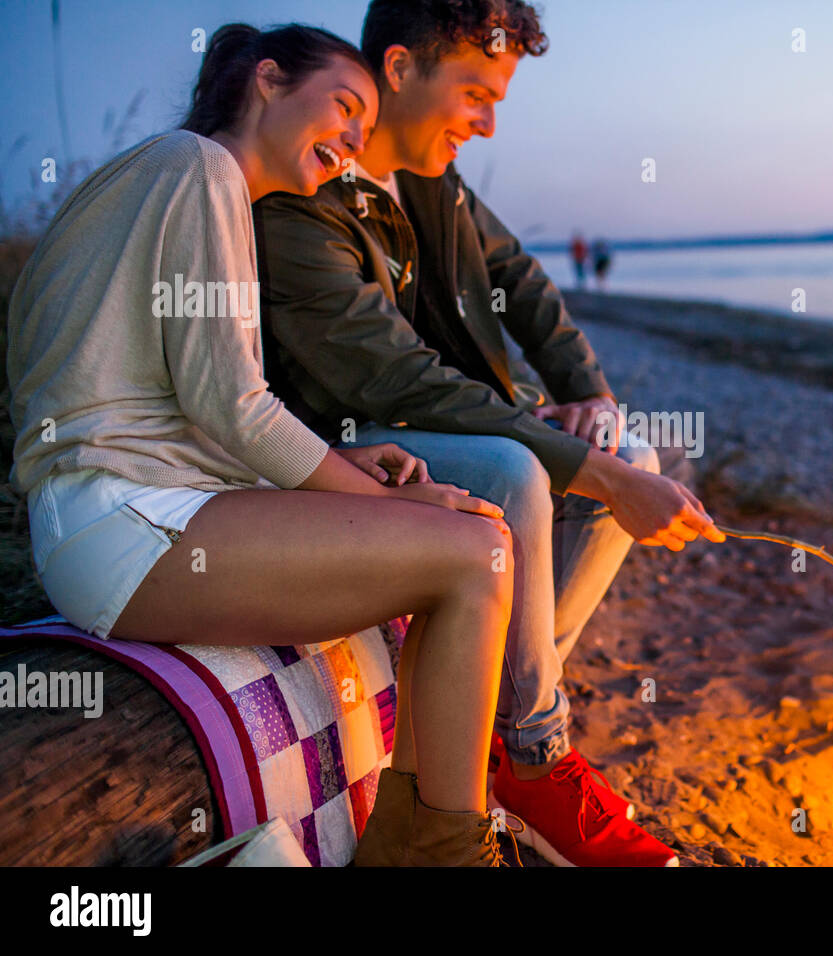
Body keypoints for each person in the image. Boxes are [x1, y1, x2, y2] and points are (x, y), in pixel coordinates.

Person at [6, 24, 517, 867]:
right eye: (345, 107)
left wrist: (340, 466)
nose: (355, 141)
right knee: (475, 554)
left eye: (363, 129)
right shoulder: (199, 166)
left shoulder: (180, 179)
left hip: (133, 510)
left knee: (476, 548)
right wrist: (391, 504)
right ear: (268, 80)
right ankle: (445, 854)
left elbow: (194, 409)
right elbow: (233, 408)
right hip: (122, 523)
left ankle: (424, 841)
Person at [254, 0, 724, 867]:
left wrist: (594, 405)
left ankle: (504, 739)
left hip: (440, 415)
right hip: (348, 442)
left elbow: (524, 284)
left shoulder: (431, 182)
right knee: (521, 472)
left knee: (631, 452)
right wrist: (597, 476)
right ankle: (537, 755)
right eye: (475, 93)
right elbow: (391, 378)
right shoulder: (305, 196)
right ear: (400, 68)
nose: (489, 121)